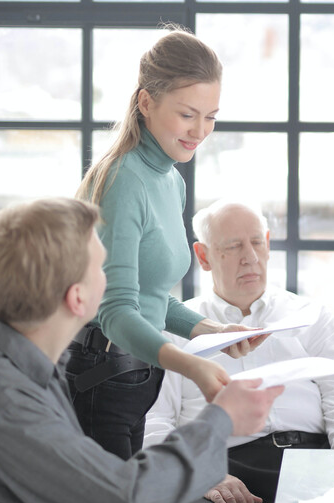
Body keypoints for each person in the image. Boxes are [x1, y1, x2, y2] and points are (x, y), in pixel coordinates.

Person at [0, 198, 284, 503]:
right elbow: (126, 502)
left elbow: (102, 484)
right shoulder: (2, 395)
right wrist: (221, 421)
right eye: (104, 269)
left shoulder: (22, 366)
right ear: (78, 299)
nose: (117, 282)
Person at [67, 24, 266, 460]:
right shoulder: (123, 180)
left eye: (211, 116)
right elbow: (117, 312)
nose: (200, 131)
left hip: (134, 373)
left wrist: (212, 331)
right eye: (187, 113)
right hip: (102, 374)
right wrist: (191, 363)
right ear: (146, 102)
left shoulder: (170, 180)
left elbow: (149, 296)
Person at [144, 199, 334, 503]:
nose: (250, 258)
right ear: (203, 256)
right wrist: (201, 473)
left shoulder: (312, 316)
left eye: (256, 242)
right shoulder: (176, 328)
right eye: (234, 246)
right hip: (224, 467)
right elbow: (154, 420)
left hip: (315, 460)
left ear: (267, 245)